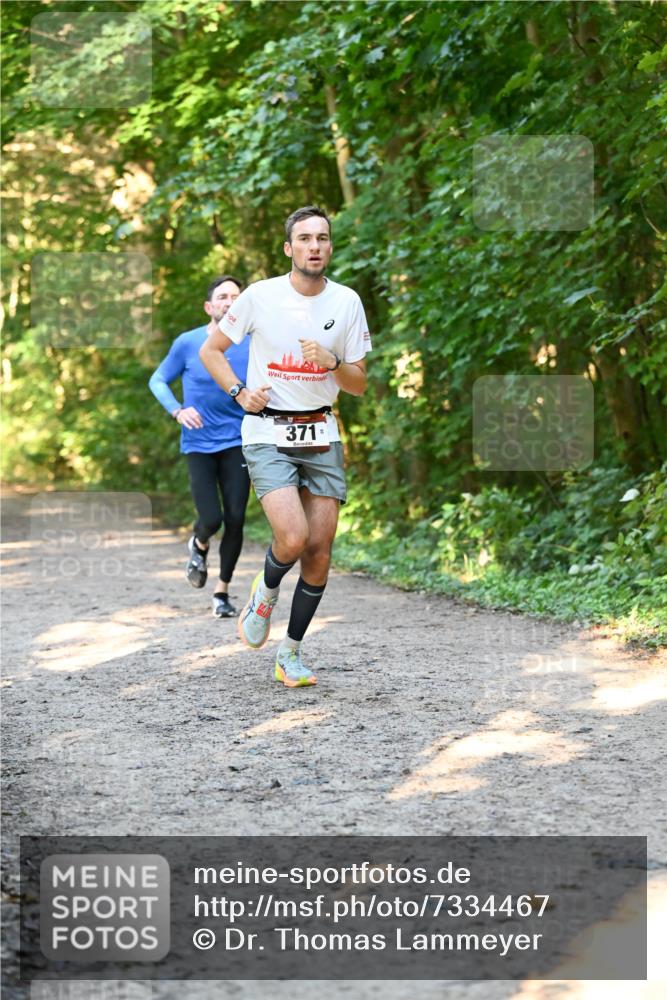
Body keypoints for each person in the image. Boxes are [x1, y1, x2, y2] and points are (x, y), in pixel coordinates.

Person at [199, 206, 371, 687]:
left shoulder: (347, 302)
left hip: (322, 431)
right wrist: (239, 391)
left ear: (330, 246)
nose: (315, 245)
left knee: (319, 550)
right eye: (305, 238)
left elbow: (357, 384)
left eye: (323, 237)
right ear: (288, 248)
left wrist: (334, 361)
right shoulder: (260, 297)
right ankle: (266, 589)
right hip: (267, 431)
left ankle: (290, 653)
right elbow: (210, 351)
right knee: (292, 537)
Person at [149, 276, 250, 617]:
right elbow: (158, 379)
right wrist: (177, 410)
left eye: (236, 296)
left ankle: (221, 593)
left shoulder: (255, 342)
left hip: (240, 439)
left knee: (236, 519)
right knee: (212, 517)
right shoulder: (188, 342)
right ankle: (199, 541)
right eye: (223, 297)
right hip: (199, 443)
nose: (230, 301)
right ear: (210, 307)